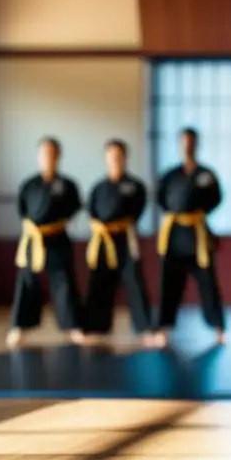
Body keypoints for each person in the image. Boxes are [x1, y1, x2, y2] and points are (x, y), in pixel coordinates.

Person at [6, 137, 85, 349]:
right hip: (34, 239)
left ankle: (73, 326)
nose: (47, 157)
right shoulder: (29, 185)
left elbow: (75, 208)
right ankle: (20, 327)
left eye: (52, 153)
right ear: (38, 156)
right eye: (43, 153)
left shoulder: (67, 185)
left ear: (58, 156)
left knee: (64, 282)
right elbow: (22, 210)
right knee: (27, 281)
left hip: (58, 237)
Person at [151, 127, 226, 347]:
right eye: (184, 142)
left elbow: (216, 198)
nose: (188, 146)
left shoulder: (206, 174)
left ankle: (218, 328)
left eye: (191, 142)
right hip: (175, 234)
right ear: (179, 145)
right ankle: (163, 327)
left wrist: (199, 214)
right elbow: (160, 199)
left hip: (198, 233)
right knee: (169, 283)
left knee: (208, 282)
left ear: (196, 144)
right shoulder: (170, 175)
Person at [81, 139, 155, 346]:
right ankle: (96, 327)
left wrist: (120, 224)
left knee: (134, 281)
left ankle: (145, 328)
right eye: (111, 156)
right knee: (99, 283)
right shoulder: (98, 187)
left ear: (125, 158)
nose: (115, 160)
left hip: (125, 237)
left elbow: (138, 209)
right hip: (103, 240)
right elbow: (92, 212)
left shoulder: (134, 186)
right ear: (106, 158)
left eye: (119, 156)